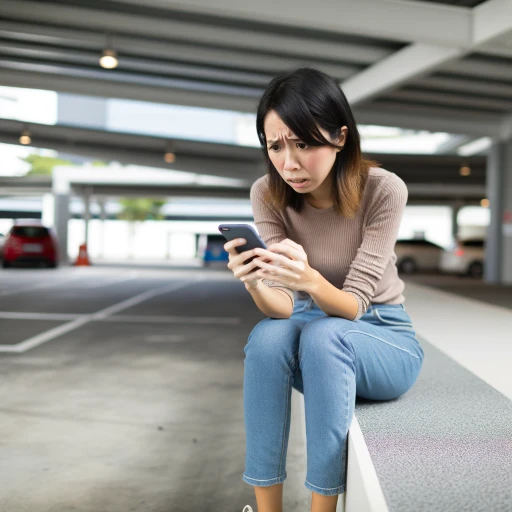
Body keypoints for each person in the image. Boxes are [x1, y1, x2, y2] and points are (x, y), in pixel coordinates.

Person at [225, 67, 425, 512]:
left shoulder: (383, 189)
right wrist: (257, 280)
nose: (289, 163)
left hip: (383, 338)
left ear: (339, 137)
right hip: (315, 340)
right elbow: (281, 308)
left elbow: (353, 305)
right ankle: (266, 508)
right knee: (267, 336)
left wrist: (310, 280)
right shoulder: (268, 192)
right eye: (275, 145)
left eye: (304, 143)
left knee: (322, 332)